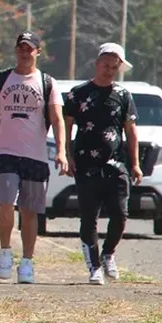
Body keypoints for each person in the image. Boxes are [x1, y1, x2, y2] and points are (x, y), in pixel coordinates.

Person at [0, 32, 66, 284]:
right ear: (16, 51)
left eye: (29, 49)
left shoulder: (48, 82)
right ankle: (5, 251)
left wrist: (61, 151)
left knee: (30, 210)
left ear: (38, 52)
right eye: (21, 48)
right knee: (6, 200)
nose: (25, 53)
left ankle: (27, 261)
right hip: (6, 151)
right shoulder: (1, 79)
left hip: (35, 156)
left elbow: (58, 119)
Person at [63, 43, 141, 285]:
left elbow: (131, 131)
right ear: (97, 64)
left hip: (116, 165)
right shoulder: (78, 93)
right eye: (105, 65)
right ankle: (94, 267)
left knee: (120, 214)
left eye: (113, 67)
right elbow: (65, 127)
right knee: (88, 217)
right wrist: (68, 155)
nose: (108, 70)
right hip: (86, 165)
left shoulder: (123, 95)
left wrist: (135, 164)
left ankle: (108, 254)